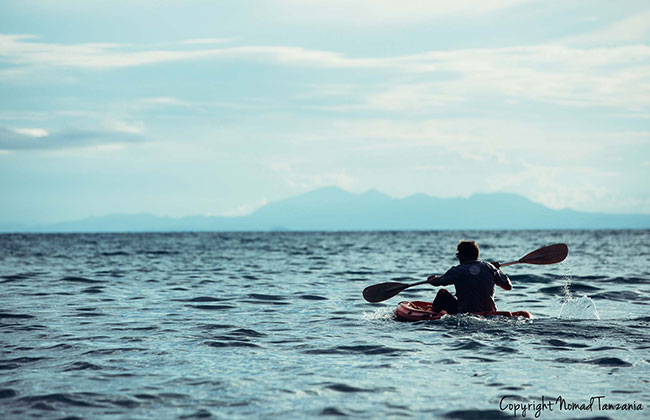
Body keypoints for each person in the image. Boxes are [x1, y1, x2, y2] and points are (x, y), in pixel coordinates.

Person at [427, 240, 512, 314]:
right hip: (489, 312)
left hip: (465, 313)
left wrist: (431, 279)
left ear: (462, 256)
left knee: (442, 293)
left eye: (458, 255)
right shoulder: (489, 267)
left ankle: (433, 313)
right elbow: (508, 286)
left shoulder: (457, 270)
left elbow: (438, 282)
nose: (458, 257)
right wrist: (498, 270)